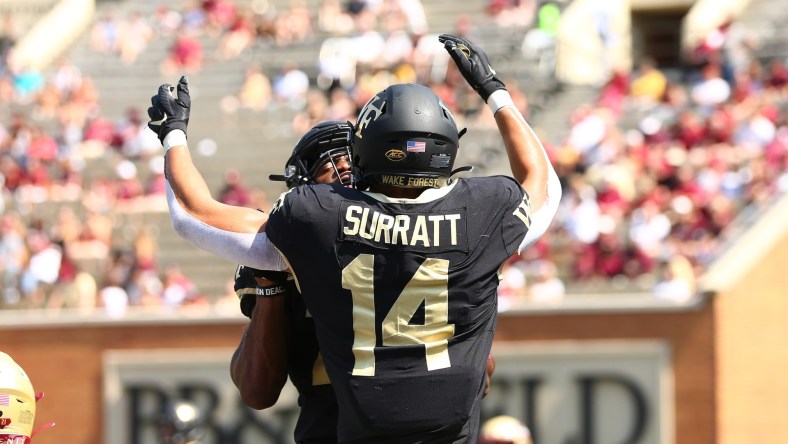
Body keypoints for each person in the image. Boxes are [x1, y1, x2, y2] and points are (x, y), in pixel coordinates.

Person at [150, 34, 560, 442]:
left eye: (348, 159)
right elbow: (544, 190)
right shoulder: (483, 210)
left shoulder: (313, 221)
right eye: (330, 167)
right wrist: (495, 92)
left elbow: (192, 216)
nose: (343, 173)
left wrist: (173, 135)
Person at [230, 120, 354, 444]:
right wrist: (270, 285)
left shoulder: (414, 237)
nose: (347, 171)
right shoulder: (286, 251)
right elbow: (257, 391)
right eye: (332, 165)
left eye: (354, 163)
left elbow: (479, 373)